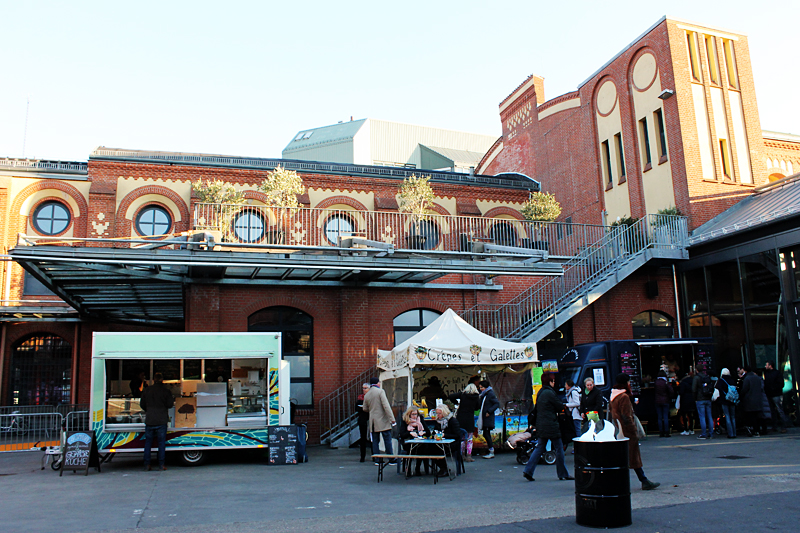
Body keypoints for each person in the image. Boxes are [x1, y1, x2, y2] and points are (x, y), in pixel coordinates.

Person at [610, 373, 660, 490]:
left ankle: (642, 480)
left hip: (618, 430)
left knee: (624, 457)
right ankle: (643, 480)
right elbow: (627, 416)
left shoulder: (613, 396)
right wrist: (634, 431)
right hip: (627, 431)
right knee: (633, 457)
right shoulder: (624, 397)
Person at [522, 372, 572, 482]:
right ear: (550, 382)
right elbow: (559, 406)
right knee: (559, 448)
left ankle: (528, 470)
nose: (554, 383)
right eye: (553, 381)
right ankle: (562, 473)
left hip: (541, 424)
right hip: (551, 424)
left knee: (540, 447)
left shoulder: (541, 392)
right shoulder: (550, 393)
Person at [140, 372, 174, 471]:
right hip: (161, 420)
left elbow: (142, 404)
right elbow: (170, 405)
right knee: (161, 444)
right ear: (162, 379)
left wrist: (149, 410)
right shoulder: (166, 391)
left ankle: (147, 464)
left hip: (150, 420)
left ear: (154, 379)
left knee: (148, 443)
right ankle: (161, 465)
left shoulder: (147, 390)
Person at [363, 377, 396, 461]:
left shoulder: (367, 394)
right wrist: (392, 418)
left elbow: (364, 408)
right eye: (379, 382)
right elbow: (386, 406)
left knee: (375, 441)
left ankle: (377, 459)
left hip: (373, 421)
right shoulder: (380, 391)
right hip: (383, 420)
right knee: (387, 440)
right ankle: (391, 459)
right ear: (377, 383)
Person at [449, 382, 480, 462]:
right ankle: (469, 455)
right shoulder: (477, 397)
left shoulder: (463, 394)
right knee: (469, 438)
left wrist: (456, 402)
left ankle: (462, 455)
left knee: (462, 438)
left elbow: (451, 396)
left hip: (461, 418)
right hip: (470, 418)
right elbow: (477, 407)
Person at [398, 406, 429, 476]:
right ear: (409, 414)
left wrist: (423, 432)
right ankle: (408, 468)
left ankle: (417, 468)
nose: (415, 416)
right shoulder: (405, 421)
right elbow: (402, 434)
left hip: (419, 442)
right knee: (410, 449)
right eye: (413, 414)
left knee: (424, 448)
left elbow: (428, 432)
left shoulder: (420, 420)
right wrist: (409, 433)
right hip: (408, 441)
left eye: (416, 414)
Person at [432, 405, 462, 476]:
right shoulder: (438, 421)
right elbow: (435, 431)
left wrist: (445, 435)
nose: (438, 415)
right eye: (437, 413)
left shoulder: (452, 421)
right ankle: (443, 468)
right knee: (430, 448)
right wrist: (434, 435)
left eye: (439, 413)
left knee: (438, 450)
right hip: (440, 442)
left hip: (452, 443)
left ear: (444, 413)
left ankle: (444, 469)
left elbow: (458, 435)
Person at [741, 367, 767, 437]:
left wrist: (741, 396)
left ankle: (755, 431)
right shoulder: (757, 378)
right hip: (758, 399)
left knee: (752, 417)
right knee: (758, 416)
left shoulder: (747, 379)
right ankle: (759, 430)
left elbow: (744, 389)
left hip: (750, 400)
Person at [477, 380, 500, 458]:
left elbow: (497, 403)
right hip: (485, 417)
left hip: (488, 417)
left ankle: (491, 451)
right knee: (485, 433)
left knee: (486, 433)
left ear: (486, 387)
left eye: (482, 387)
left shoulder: (490, 394)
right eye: (480, 387)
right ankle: (490, 450)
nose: (480, 389)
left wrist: (489, 411)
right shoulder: (484, 394)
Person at [764, 361, 788, 433]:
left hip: (775, 394)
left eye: (766, 365)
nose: (765, 366)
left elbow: (781, 384)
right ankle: (776, 426)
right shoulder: (770, 373)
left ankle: (782, 426)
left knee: (778, 410)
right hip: (772, 393)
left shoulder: (774, 373)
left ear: (770, 366)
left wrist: (772, 388)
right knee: (775, 411)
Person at [692, 367, 714, 439]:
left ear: (697, 370)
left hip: (700, 398)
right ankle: (711, 433)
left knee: (702, 417)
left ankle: (704, 434)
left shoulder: (697, 377)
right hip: (708, 398)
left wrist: (695, 398)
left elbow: (694, 389)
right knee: (709, 416)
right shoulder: (707, 377)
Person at [715, 368, 737, 438]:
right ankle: (734, 433)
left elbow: (717, 388)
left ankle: (730, 433)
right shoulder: (732, 380)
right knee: (733, 417)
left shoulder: (721, 381)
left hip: (724, 400)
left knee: (727, 416)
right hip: (732, 400)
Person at [654, 370, 673, 437]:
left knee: (659, 417)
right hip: (665, 400)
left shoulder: (656, 382)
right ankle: (667, 431)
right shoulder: (665, 383)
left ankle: (661, 432)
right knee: (665, 417)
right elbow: (671, 390)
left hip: (657, 401)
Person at [355, 383, 371, 462]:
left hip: (370, 419)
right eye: (363, 388)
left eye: (365, 388)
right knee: (363, 438)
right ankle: (362, 456)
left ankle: (374, 456)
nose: (364, 390)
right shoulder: (360, 397)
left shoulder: (371, 397)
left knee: (372, 438)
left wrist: (363, 408)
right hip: (363, 420)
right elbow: (356, 408)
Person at [678, 370, 696, 435]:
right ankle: (692, 429)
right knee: (691, 415)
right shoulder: (693, 381)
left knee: (684, 415)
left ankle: (686, 429)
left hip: (684, 400)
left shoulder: (683, 382)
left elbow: (681, 392)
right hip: (692, 399)